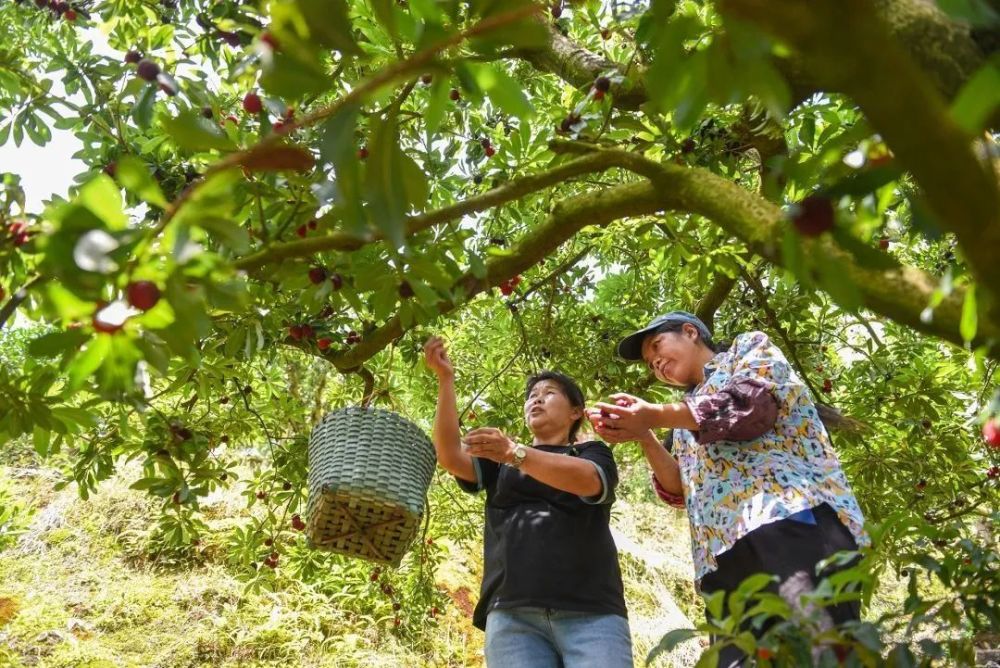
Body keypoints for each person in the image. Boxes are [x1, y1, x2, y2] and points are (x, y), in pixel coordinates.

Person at [586, 311, 868, 665]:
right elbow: (677, 489)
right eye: (649, 362)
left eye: (656, 346)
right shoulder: (681, 421)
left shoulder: (747, 350)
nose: (655, 362)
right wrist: (644, 433)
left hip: (790, 521)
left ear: (691, 332)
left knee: (822, 646)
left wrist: (655, 414)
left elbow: (750, 408)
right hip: (721, 558)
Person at [423, 336, 632, 668]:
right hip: (512, 615)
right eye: (532, 396)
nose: (537, 399)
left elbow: (590, 480)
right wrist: (445, 380)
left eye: (549, 394)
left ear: (576, 411)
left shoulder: (589, 452)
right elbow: (449, 455)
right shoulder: (500, 460)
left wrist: (515, 454)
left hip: (592, 612)